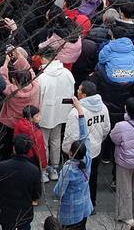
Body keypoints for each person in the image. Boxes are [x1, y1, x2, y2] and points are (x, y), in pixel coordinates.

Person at [54, 98, 93, 230]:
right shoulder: (88, 158)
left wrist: (79, 109)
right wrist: (80, 110)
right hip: (84, 207)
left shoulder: (68, 170)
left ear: (70, 153)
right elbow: (85, 135)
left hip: (70, 213)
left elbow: (58, 191)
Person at [0, 134, 41, 230]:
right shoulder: (34, 170)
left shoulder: (2, 166)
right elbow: (37, 194)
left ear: (14, 148)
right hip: (24, 214)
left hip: (6, 212)